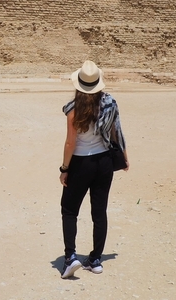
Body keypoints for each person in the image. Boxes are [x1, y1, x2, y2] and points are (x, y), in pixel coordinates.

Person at [59, 60, 129, 279]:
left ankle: (70, 258)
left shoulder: (73, 109)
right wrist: (125, 158)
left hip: (80, 164)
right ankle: (95, 260)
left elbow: (71, 143)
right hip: (104, 163)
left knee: (69, 210)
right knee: (99, 211)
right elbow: (117, 132)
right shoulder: (110, 103)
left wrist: (64, 168)